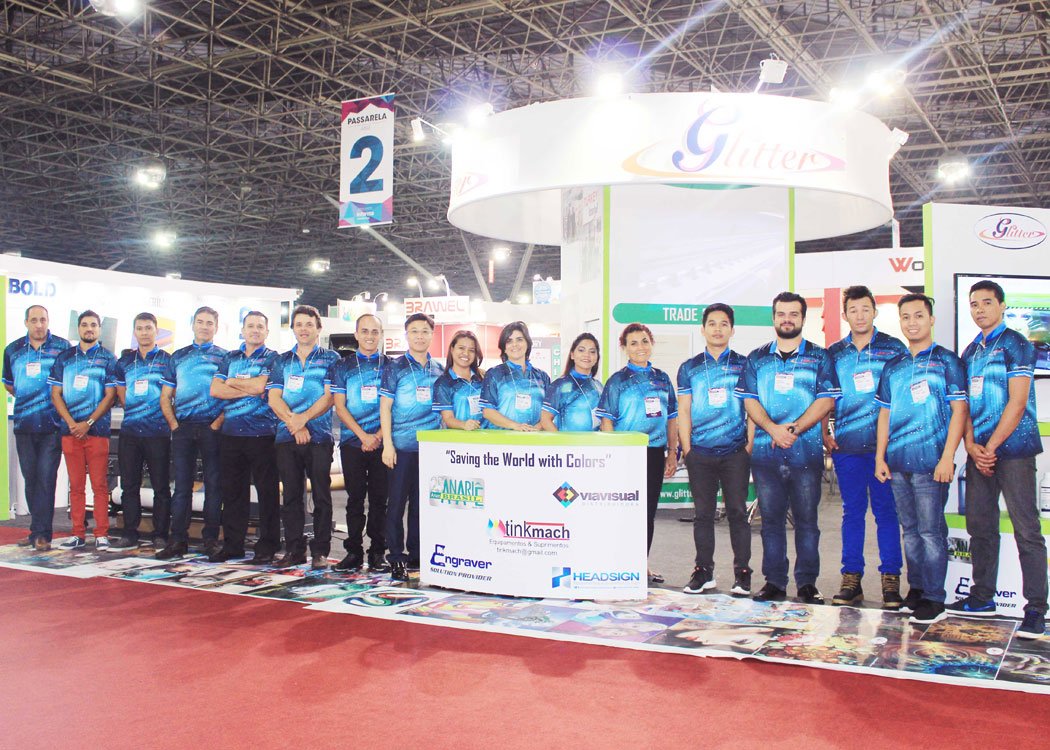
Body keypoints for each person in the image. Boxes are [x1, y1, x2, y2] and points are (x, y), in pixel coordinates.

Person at [951, 280, 1047, 638]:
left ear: (1002, 305)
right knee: (980, 527)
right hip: (979, 454)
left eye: (987, 302)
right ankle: (981, 597)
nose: (980, 310)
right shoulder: (970, 351)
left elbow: (1017, 402)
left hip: (1014, 452)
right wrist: (971, 445)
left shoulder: (1017, 344)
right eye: (974, 304)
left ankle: (1035, 608)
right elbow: (965, 405)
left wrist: (990, 447)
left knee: (1027, 530)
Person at [735, 292, 841, 605]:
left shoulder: (820, 357)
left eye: (793, 314)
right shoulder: (757, 358)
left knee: (807, 522)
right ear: (773, 317)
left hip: (805, 454)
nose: (787, 319)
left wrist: (794, 429)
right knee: (771, 522)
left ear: (803, 318)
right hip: (766, 456)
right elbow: (749, 400)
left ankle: (807, 583)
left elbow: (826, 399)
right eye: (781, 313)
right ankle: (774, 582)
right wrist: (772, 429)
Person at [875, 293, 968, 625]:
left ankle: (934, 598)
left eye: (918, 316)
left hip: (932, 464)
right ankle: (916, 589)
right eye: (905, 317)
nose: (912, 323)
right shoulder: (894, 366)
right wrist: (880, 457)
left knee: (931, 532)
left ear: (931, 320)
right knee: (911, 532)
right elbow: (884, 414)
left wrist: (948, 457)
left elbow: (960, 411)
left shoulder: (947, 361)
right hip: (897, 464)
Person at [823, 286, 908, 609]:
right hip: (847, 447)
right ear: (845, 315)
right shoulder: (835, 353)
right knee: (852, 512)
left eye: (865, 309)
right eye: (853, 310)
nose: (859, 315)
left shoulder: (894, 348)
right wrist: (824, 432)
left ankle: (891, 580)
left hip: (885, 450)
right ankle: (851, 579)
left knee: (887, 513)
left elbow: (903, 396)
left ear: (875, 311)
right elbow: (824, 395)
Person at [676, 303, 753, 597]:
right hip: (701, 453)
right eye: (712, 323)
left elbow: (752, 408)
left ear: (732, 330)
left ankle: (742, 573)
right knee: (703, 515)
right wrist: (687, 449)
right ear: (703, 329)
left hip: (735, 452)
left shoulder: (745, 365)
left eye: (723, 324)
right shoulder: (690, 367)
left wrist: (748, 445)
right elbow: (684, 410)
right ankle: (703, 571)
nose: (717, 329)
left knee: (737, 513)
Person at [597, 323, 678, 584]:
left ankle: (641, 564)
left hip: (654, 454)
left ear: (651, 343)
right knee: (624, 511)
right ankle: (619, 563)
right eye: (633, 343)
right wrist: (612, 456)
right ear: (624, 348)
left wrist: (672, 452)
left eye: (644, 341)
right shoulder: (617, 381)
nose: (640, 347)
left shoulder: (662, 378)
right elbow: (607, 421)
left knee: (647, 513)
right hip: (625, 456)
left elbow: (672, 418)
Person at [267, 304, 340, 570]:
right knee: (291, 496)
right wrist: (294, 424)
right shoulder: (281, 361)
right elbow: (273, 397)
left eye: (309, 324)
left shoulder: (331, 359)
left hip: (319, 437)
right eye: (299, 324)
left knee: (321, 496)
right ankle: (294, 550)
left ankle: (320, 551)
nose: (304, 329)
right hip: (287, 437)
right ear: (293, 329)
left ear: (318, 328)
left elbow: (330, 397)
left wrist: (303, 419)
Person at [209, 311, 281, 564]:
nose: (255, 330)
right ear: (243, 331)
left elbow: (261, 387)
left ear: (267, 332)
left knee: (267, 494)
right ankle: (233, 545)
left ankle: (267, 546)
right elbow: (215, 390)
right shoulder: (230, 358)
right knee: (232, 493)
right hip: (231, 435)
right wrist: (248, 387)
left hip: (263, 435)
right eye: (250, 326)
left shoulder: (273, 358)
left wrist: (233, 383)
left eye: (260, 326)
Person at [157, 307, 227, 560]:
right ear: (193, 324)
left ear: (216, 327)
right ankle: (178, 540)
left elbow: (231, 394)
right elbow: (165, 396)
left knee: (214, 486)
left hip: (212, 428)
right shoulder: (178, 356)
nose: (205, 326)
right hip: (183, 428)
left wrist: (217, 423)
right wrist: (174, 425)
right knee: (182, 487)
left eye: (209, 322)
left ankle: (211, 540)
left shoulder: (224, 357)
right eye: (200, 322)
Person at [380, 312, 444, 581]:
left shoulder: (439, 369)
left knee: (421, 506)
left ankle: (417, 555)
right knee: (396, 505)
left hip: (430, 449)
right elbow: (385, 408)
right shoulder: (395, 367)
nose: (420, 336)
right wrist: (388, 445)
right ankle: (396, 557)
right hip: (401, 447)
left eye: (425, 331)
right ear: (406, 335)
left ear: (432, 335)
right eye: (414, 331)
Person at [49, 310, 119, 549]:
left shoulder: (108, 359)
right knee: (76, 486)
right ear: (78, 328)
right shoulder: (65, 358)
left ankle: (101, 533)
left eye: (93, 325)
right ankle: (77, 533)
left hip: (97, 432)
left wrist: (87, 423)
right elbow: (55, 394)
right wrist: (71, 423)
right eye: (85, 325)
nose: (89, 329)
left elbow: (110, 396)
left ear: (99, 329)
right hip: (70, 433)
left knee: (99, 485)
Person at [2, 305, 70, 550]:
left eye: (43, 320)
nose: (39, 325)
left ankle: (43, 533)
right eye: (34, 320)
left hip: (53, 425)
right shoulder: (13, 350)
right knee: (30, 478)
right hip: (24, 424)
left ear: (48, 321)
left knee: (46, 478)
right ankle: (36, 531)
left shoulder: (62, 348)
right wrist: (29, 399)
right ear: (26, 323)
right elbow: (9, 384)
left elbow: (68, 383)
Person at [329, 313, 390, 571]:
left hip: (383, 444)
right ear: (356, 334)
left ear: (381, 334)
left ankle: (377, 552)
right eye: (364, 331)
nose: (369, 336)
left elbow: (394, 407)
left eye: (374, 331)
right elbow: (340, 407)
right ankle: (353, 552)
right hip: (352, 443)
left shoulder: (391, 366)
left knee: (380, 501)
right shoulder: (342, 366)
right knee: (354, 499)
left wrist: (377, 436)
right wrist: (363, 436)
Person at [109, 313, 173, 551]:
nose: (144, 332)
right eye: (140, 328)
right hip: (130, 433)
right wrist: (137, 412)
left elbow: (172, 394)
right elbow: (121, 393)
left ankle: (160, 533)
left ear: (157, 331)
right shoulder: (125, 362)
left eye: (148, 328)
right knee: (129, 485)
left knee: (161, 487)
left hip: (158, 432)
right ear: (134, 332)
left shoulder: (168, 361)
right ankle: (129, 533)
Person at [481, 321, 551, 431]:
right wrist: (516, 426)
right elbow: (488, 412)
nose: (515, 344)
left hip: (535, 437)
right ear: (504, 348)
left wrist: (536, 428)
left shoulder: (542, 376)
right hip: (502, 438)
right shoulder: (494, 374)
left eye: (519, 339)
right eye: (509, 341)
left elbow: (549, 411)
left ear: (527, 343)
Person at [541, 333, 602, 432]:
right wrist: (560, 440)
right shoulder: (560, 385)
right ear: (572, 355)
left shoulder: (598, 386)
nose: (587, 355)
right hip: (567, 441)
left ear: (597, 357)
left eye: (592, 351)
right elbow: (545, 420)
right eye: (581, 350)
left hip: (594, 441)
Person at [433, 330, 485, 431]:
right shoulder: (443, 383)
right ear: (452, 349)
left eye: (471, 350)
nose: (466, 353)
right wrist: (464, 425)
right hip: (459, 438)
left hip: (487, 436)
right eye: (461, 348)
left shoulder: (482, 378)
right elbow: (448, 418)